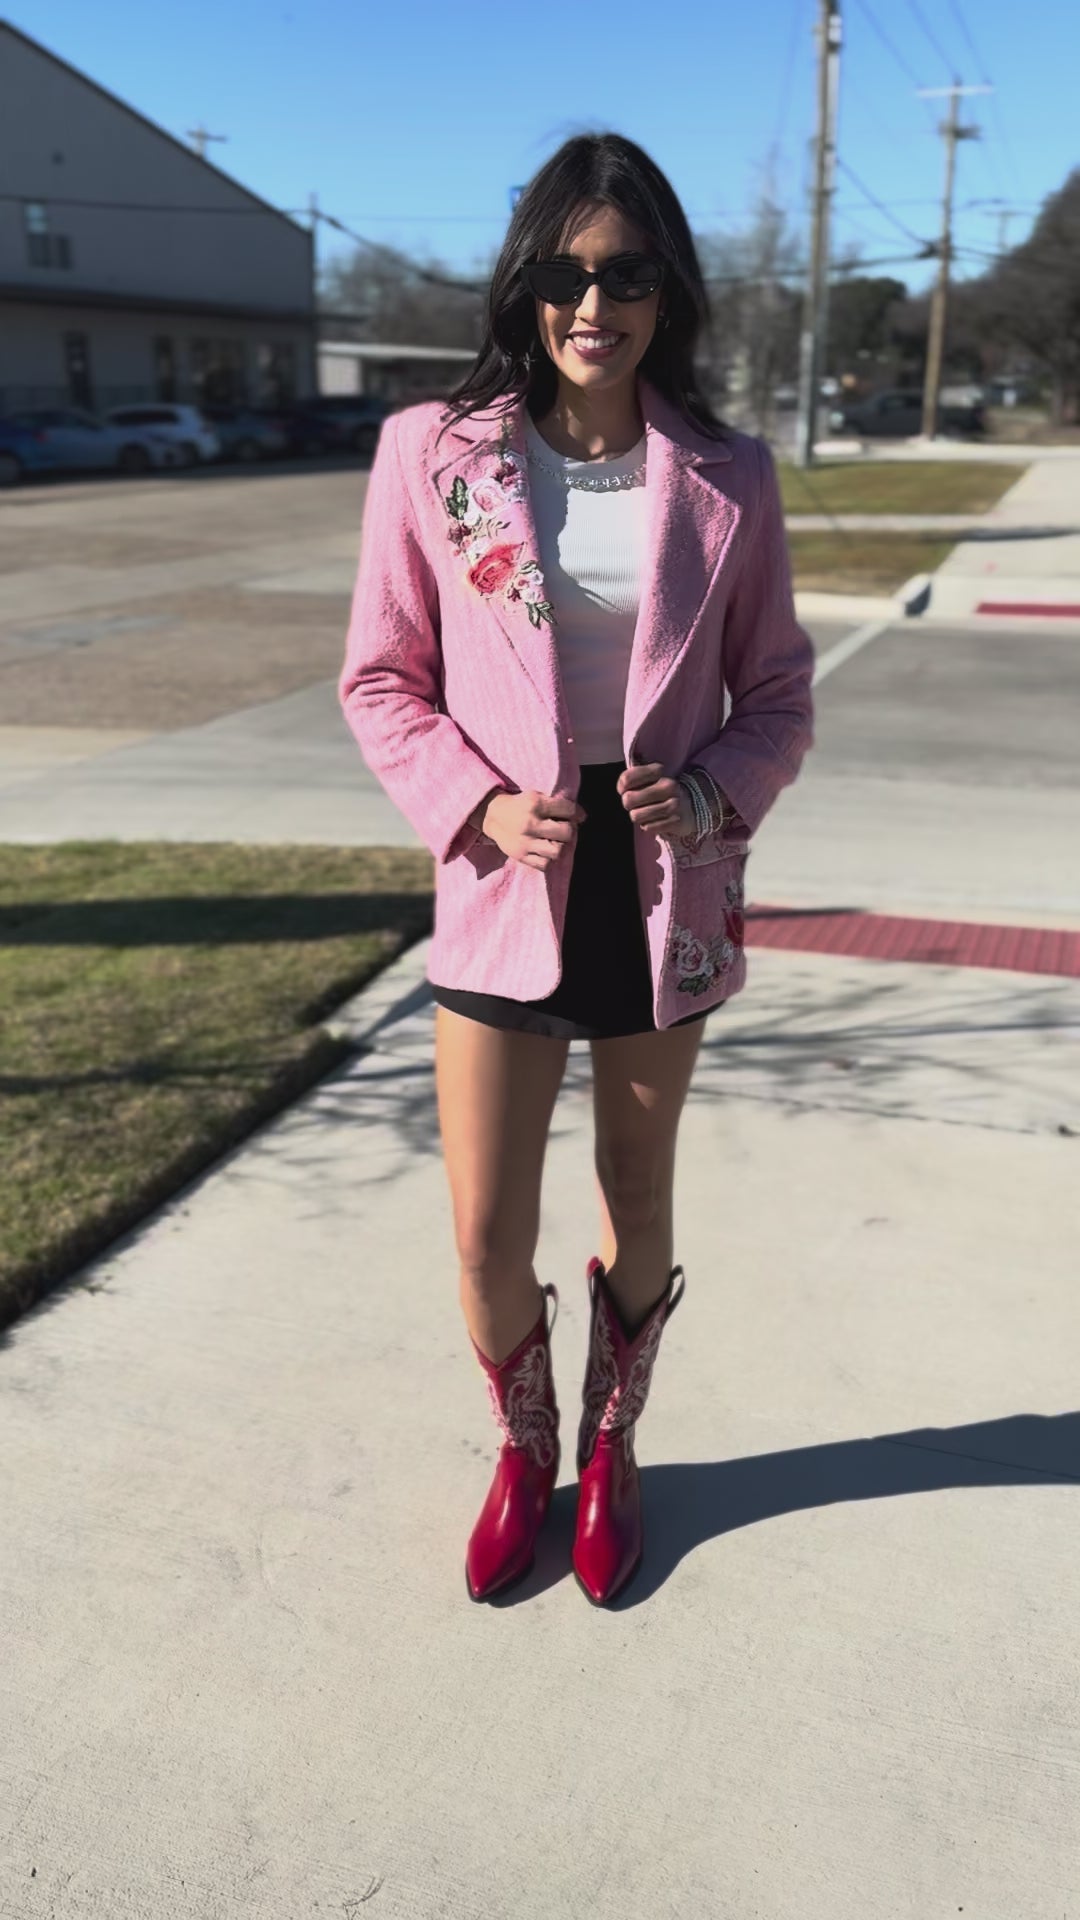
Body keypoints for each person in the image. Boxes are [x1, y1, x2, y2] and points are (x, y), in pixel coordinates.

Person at [338, 131, 814, 1607]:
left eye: (625, 275)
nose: (591, 304)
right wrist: (476, 808)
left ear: (668, 294)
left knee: (635, 1189)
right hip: (504, 877)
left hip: (662, 885)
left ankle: (612, 1449)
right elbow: (380, 679)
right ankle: (521, 1442)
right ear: (525, 285)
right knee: (486, 1228)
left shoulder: (726, 474)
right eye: (563, 272)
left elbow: (781, 693)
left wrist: (719, 793)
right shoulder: (435, 451)